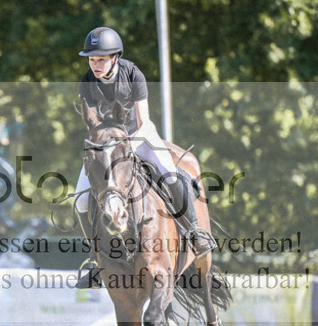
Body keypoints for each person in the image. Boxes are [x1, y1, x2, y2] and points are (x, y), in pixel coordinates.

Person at [74, 27, 216, 288]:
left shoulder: (132, 74)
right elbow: (93, 126)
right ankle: (95, 258)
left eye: (101, 59)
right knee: (81, 199)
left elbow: (143, 119)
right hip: (107, 148)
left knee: (170, 172)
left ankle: (195, 232)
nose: (95, 64)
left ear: (115, 57)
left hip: (138, 136)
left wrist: (126, 146)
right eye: (92, 59)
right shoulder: (86, 82)